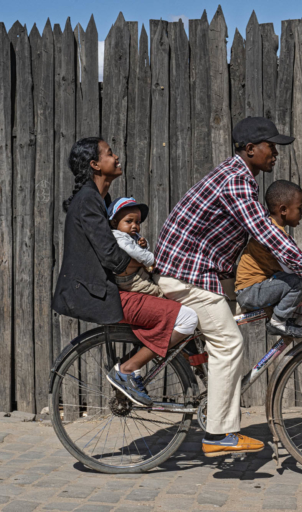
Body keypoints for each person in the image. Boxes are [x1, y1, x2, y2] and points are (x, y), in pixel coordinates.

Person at [155, 116, 302, 457]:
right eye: (272, 147)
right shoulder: (236, 179)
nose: (276, 154)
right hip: (188, 274)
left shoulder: (238, 177)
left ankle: (213, 404)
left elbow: (262, 234)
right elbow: (264, 231)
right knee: (229, 344)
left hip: (201, 272)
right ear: (251, 149)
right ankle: (218, 435)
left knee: (227, 329)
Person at [52, 137, 198, 407]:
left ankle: (140, 364)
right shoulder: (88, 200)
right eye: (109, 153)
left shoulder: (100, 199)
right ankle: (128, 369)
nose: (116, 157)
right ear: (95, 165)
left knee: (177, 304)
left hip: (110, 288)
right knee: (187, 318)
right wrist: (146, 263)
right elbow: (111, 255)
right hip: (100, 294)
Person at [235, 180, 302, 338]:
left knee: (297, 281)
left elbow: (293, 264)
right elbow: (292, 268)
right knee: (299, 281)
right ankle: (277, 322)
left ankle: (283, 320)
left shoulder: (274, 232)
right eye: (299, 208)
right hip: (251, 293)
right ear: (283, 210)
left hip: (256, 289)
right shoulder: (274, 237)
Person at [107, 197, 164, 298]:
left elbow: (140, 250)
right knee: (155, 291)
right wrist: (152, 259)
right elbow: (132, 250)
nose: (134, 226)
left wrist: (144, 245)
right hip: (130, 280)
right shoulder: (117, 236)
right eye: (129, 221)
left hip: (138, 272)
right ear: (114, 223)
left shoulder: (131, 235)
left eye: (137, 222)